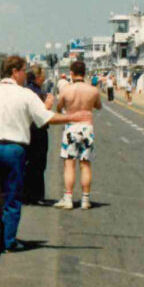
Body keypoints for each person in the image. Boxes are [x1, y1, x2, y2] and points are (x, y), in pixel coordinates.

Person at [0, 55, 92, 252]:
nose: (25, 75)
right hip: (15, 149)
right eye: (23, 71)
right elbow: (46, 118)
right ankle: (9, 242)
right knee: (13, 197)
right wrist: (72, 117)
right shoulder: (26, 95)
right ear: (15, 72)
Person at [53, 60, 102, 210]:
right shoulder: (93, 90)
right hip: (87, 127)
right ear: (85, 73)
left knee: (69, 164)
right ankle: (85, 200)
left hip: (71, 127)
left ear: (72, 73)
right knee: (85, 164)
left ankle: (68, 198)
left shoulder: (66, 90)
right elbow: (98, 106)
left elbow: (59, 106)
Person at [23, 66, 54, 204]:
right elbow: (40, 114)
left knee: (26, 163)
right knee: (38, 164)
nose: (44, 78)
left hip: (25, 131)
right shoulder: (37, 93)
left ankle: (25, 194)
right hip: (38, 131)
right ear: (37, 77)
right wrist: (47, 106)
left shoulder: (25, 90)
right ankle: (36, 196)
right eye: (43, 76)